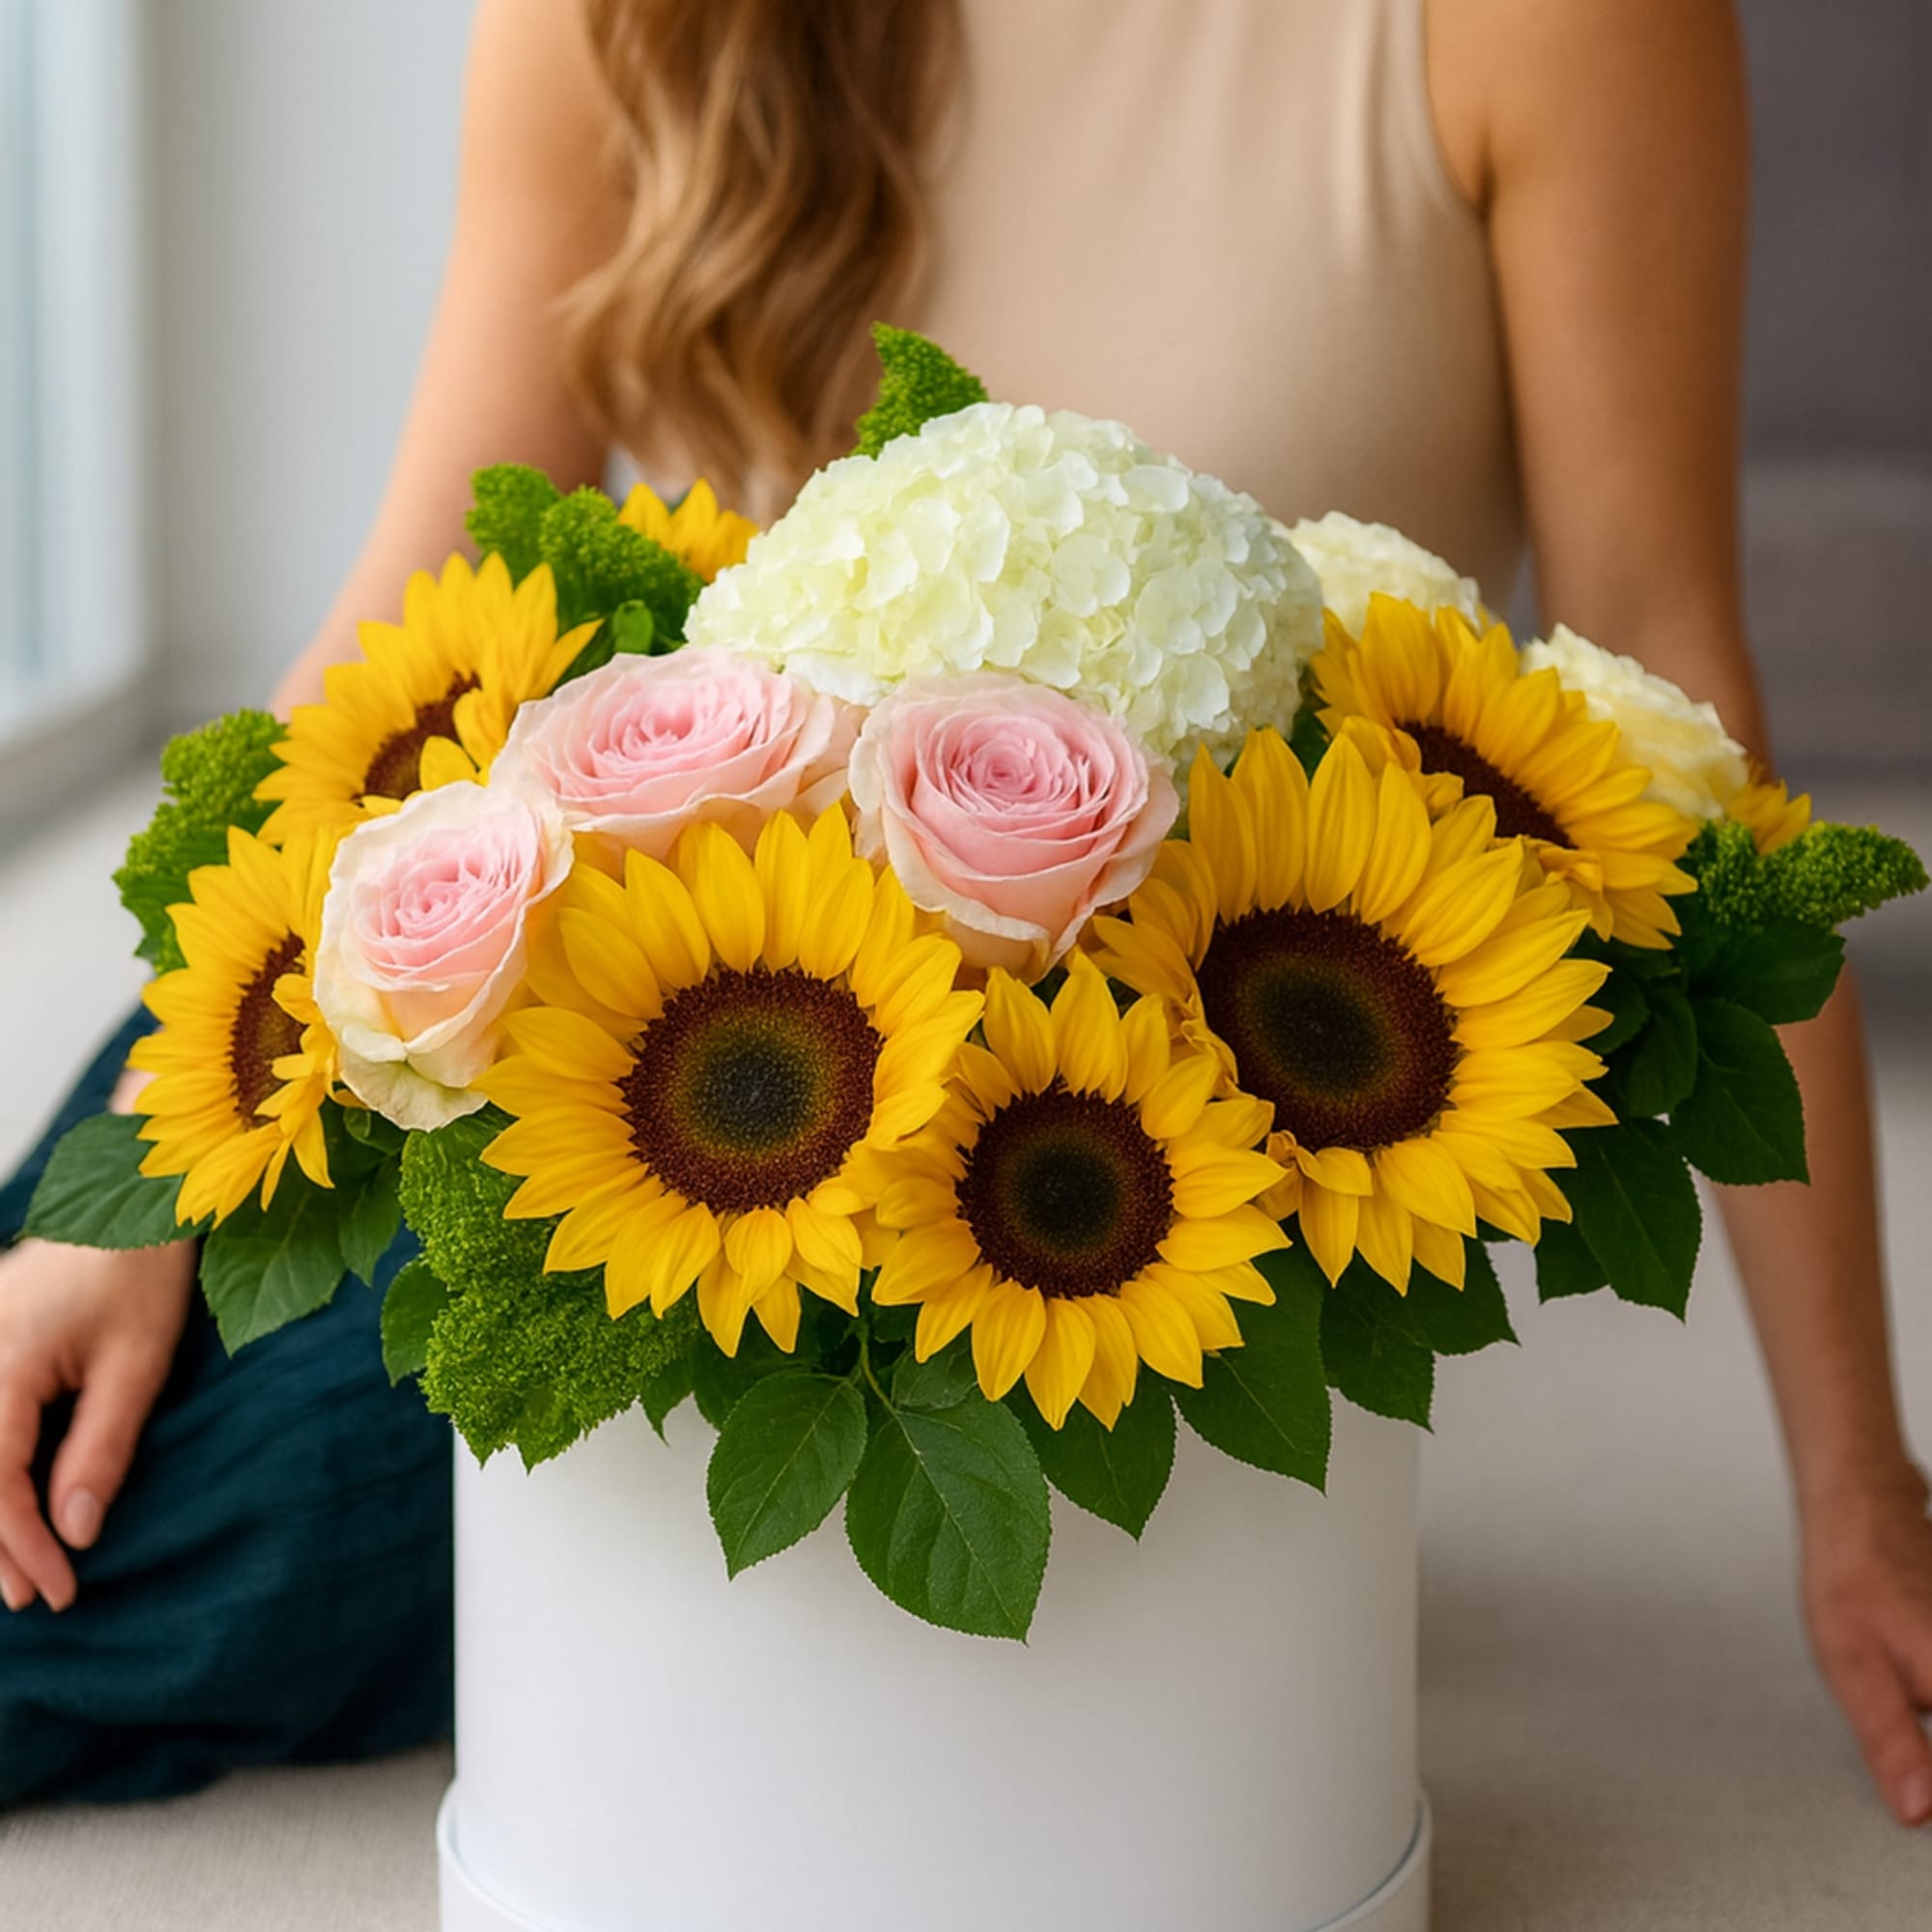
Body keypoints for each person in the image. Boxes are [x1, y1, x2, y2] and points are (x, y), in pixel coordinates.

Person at [2, 0, 1927, 1825]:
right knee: (39, 1359)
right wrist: (155, 1161)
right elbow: (400, 634)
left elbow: (1672, 704)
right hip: (608, 1051)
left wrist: (1860, 1490)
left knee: (126, 1557)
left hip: (1038, 1202)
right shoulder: (633, 19)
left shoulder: (1549, 27)